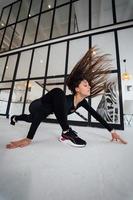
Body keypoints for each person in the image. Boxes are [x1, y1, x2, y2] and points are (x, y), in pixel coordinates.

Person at [6, 47, 127, 149]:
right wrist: (29, 138)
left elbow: (96, 115)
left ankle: (15, 117)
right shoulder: (63, 99)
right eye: (85, 85)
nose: (89, 87)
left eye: (89, 85)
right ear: (77, 89)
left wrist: (112, 131)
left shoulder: (82, 102)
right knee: (57, 92)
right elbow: (41, 110)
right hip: (37, 105)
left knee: (29, 119)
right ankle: (66, 132)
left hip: (45, 111)